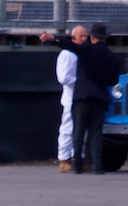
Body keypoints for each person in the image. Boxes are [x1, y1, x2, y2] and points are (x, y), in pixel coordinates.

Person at [39, 23, 122, 174]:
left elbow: (68, 45)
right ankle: (96, 165)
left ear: (92, 37)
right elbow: (112, 80)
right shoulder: (113, 57)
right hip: (100, 97)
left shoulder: (86, 50)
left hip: (81, 95)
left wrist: (53, 38)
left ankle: (76, 163)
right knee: (95, 132)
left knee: (78, 130)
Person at [54, 26, 85, 173]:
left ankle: (77, 157)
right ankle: (64, 158)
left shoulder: (81, 53)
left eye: (85, 36)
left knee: (80, 128)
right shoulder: (67, 54)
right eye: (81, 37)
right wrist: (80, 81)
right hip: (71, 95)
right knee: (68, 127)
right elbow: (63, 77)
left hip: (80, 94)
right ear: (73, 38)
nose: (84, 39)